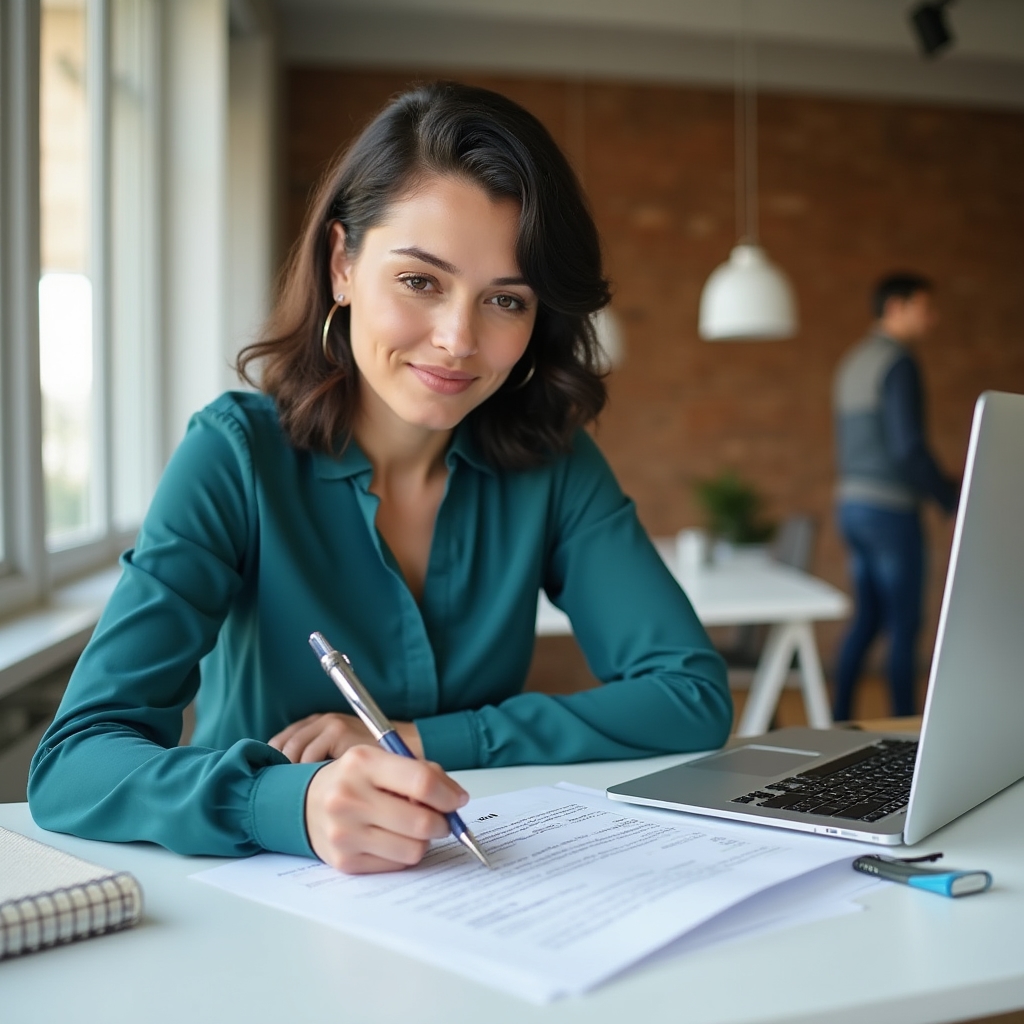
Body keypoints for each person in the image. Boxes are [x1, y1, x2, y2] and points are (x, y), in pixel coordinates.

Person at [29, 82, 731, 875]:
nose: (458, 340)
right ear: (342, 264)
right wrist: (289, 801)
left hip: (479, 892)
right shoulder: (235, 455)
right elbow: (73, 764)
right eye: (420, 282)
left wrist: (420, 738)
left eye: (505, 299)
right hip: (262, 898)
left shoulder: (554, 464)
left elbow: (690, 697)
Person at [832, 272, 958, 721]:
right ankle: (907, 729)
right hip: (889, 511)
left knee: (867, 619)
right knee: (904, 623)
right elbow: (908, 447)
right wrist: (950, 499)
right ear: (896, 308)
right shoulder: (898, 362)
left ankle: (838, 718)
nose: (933, 319)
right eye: (926, 309)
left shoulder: (853, 361)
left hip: (851, 506)